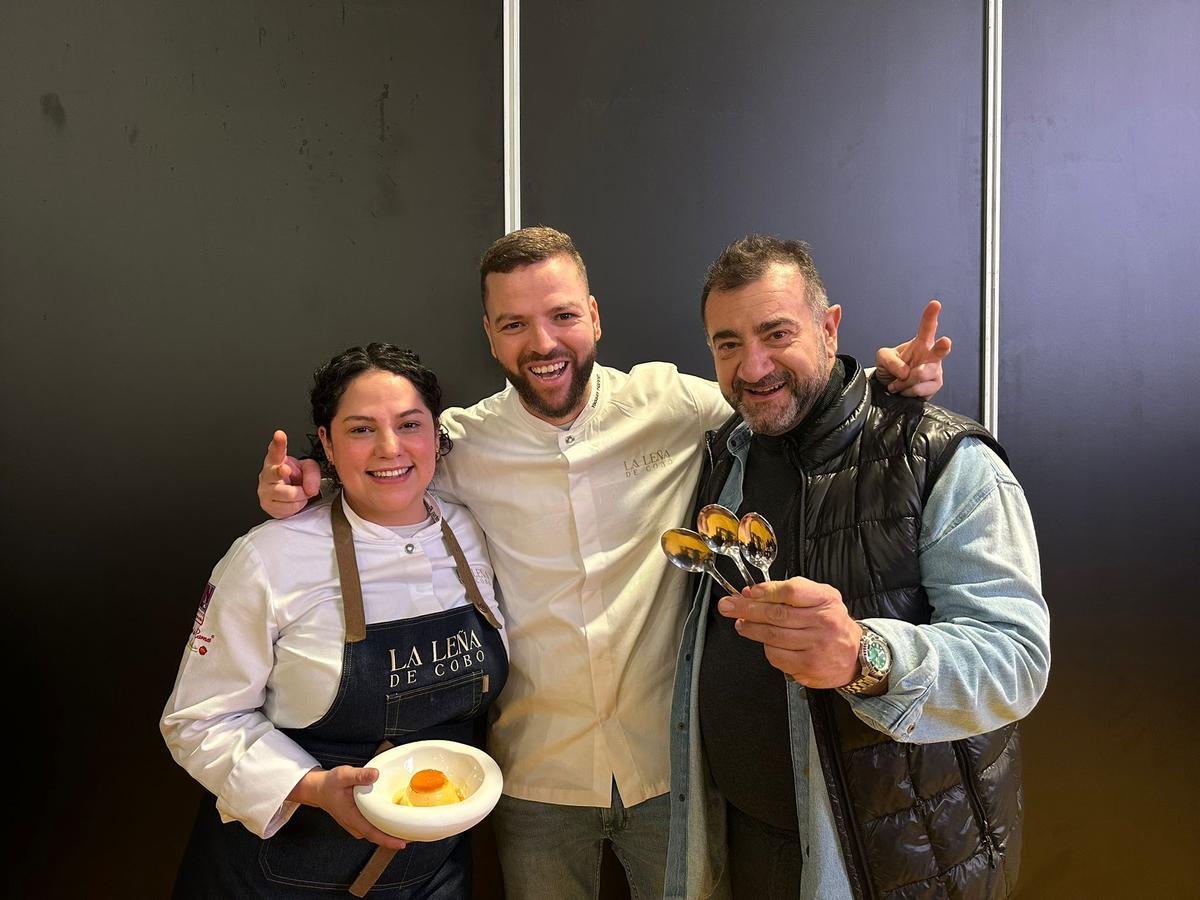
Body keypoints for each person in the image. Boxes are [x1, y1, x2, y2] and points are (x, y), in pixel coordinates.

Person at [257, 227, 947, 899]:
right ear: (490, 334)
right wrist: (312, 478)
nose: (543, 343)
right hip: (534, 777)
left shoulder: (675, 404)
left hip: (673, 772)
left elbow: (781, 398)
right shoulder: (459, 444)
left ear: (593, 316)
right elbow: (385, 461)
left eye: (561, 316)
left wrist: (884, 389)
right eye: (515, 324)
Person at [665, 236, 1050, 900]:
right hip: (744, 849)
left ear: (829, 326)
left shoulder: (941, 458)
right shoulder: (728, 454)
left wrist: (862, 656)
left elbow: (1015, 661)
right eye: (727, 344)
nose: (752, 366)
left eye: (776, 332)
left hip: (891, 866)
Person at [163, 344, 508, 898]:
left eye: (410, 424)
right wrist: (314, 786)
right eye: (361, 430)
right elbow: (197, 721)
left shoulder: (469, 530)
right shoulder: (269, 557)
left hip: (433, 873)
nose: (391, 448)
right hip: (287, 872)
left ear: (436, 435)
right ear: (325, 442)